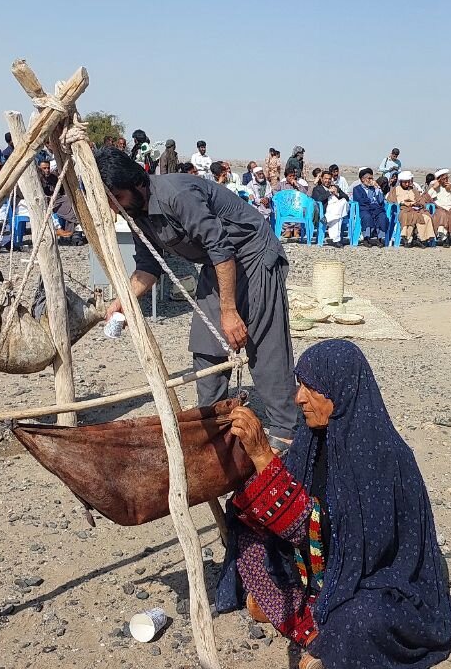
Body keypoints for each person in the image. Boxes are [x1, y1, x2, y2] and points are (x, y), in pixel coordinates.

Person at [217, 339, 451, 669]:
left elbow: (323, 531)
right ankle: (309, 618)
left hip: (366, 576)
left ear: (341, 392)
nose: (299, 398)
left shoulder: (383, 458)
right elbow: (292, 499)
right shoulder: (314, 439)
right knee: (248, 534)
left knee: (362, 618)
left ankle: (319, 633)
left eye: (311, 388)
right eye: (300, 386)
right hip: (318, 566)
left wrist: (263, 457)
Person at [96, 148, 299, 452]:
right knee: (207, 342)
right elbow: (148, 267)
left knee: (262, 342)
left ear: (137, 184)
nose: (116, 210)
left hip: (253, 253)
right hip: (218, 264)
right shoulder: (135, 214)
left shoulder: (177, 195)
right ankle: (214, 421)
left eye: (118, 200)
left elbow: (220, 248)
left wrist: (229, 312)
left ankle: (286, 429)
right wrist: (122, 300)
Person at [386, 171, 435, 248]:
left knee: (426, 217)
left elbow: (420, 200)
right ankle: (408, 239)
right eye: (405, 182)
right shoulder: (396, 189)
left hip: (415, 209)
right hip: (403, 210)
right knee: (409, 216)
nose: (407, 184)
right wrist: (402, 203)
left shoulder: (413, 190)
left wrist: (417, 204)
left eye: (408, 182)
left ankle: (422, 239)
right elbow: (390, 201)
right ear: (401, 182)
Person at [311, 170, 350, 246]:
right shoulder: (317, 189)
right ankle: (336, 240)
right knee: (338, 217)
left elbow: (346, 198)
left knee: (343, 202)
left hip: (333, 212)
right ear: (321, 179)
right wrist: (329, 192)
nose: (327, 181)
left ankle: (327, 219)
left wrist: (336, 193)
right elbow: (318, 199)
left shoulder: (336, 187)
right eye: (325, 178)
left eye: (329, 179)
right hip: (326, 211)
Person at [352, 168, 389, 247]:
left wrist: (378, 189)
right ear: (362, 179)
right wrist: (370, 200)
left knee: (382, 217)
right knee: (367, 217)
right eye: (369, 178)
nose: (371, 180)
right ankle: (366, 238)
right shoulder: (356, 189)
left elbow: (381, 200)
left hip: (376, 208)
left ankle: (379, 238)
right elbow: (360, 200)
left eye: (372, 178)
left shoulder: (374, 188)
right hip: (364, 209)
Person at [429, 169, 451, 246]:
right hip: (440, 208)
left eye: (446, 178)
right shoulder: (435, 186)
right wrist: (434, 188)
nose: (446, 180)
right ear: (439, 179)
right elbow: (428, 197)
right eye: (443, 179)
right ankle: (444, 238)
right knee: (443, 216)